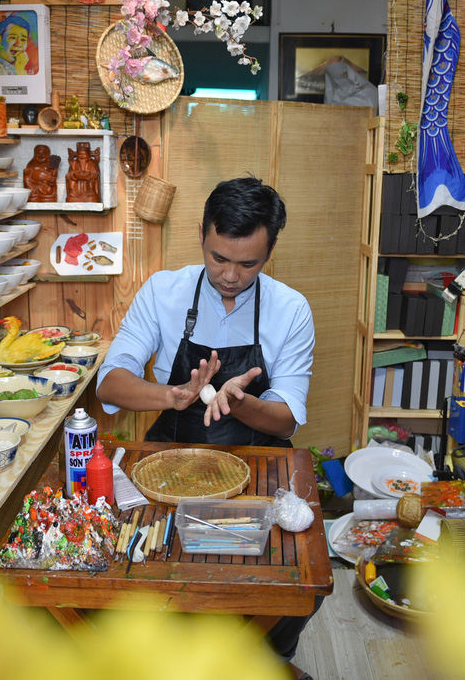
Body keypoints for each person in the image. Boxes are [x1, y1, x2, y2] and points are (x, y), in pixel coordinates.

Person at [96, 176, 319, 678]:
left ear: (270, 252)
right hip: (166, 455)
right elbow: (109, 384)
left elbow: (286, 416)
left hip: (255, 461)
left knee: (294, 583)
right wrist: (170, 396)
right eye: (219, 258)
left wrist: (239, 403)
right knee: (134, 566)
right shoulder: (163, 292)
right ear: (201, 233)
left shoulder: (290, 310)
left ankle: (258, 659)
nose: (231, 275)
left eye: (248, 264)